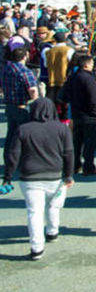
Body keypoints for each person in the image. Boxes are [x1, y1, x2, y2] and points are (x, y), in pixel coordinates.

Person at [2, 95, 73, 259]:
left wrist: (8, 177)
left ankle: (36, 248)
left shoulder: (23, 129)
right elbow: (69, 153)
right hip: (55, 176)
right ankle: (52, 231)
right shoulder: (62, 129)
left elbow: (13, 155)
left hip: (30, 177)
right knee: (54, 206)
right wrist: (69, 175)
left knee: (34, 211)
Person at [66, 54, 96, 176]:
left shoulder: (73, 76)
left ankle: (75, 165)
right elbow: (94, 98)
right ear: (86, 65)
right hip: (89, 115)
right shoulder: (88, 79)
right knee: (90, 143)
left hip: (76, 113)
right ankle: (89, 167)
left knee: (77, 142)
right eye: (92, 63)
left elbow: (66, 94)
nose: (93, 65)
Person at [1, 47, 38, 176]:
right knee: (24, 136)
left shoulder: (6, 69)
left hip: (10, 105)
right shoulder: (25, 71)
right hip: (22, 106)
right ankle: (22, 162)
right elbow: (32, 90)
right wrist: (37, 101)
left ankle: (9, 160)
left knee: (11, 134)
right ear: (25, 56)